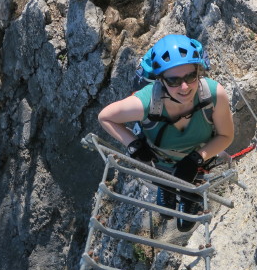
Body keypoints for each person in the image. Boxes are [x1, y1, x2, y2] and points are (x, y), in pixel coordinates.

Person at [98, 34, 234, 231]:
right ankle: (166, 186)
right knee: (165, 212)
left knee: (185, 220)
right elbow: (105, 117)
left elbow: (226, 136)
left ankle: (189, 195)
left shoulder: (213, 95)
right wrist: (133, 143)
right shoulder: (146, 103)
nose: (185, 87)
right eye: (174, 81)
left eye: (190, 76)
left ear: (198, 72)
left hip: (198, 165)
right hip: (160, 165)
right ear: (160, 80)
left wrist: (197, 158)